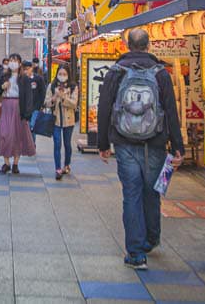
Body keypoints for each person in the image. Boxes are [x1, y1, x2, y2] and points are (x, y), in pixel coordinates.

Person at [97, 28, 185, 270]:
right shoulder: (160, 73)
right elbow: (171, 110)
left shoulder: (116, 72)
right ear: (149, 45)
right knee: (151, 190)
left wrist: (103, 143)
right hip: (155, 143)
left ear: (127, 45)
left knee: (131, 194)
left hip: (124, 142)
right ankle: (150, 239)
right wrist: (178, 145)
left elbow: (104, 107)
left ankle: (135, 254)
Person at [0, 54, 36, 174]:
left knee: (17, 135)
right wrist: (2, 87)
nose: (13, 63)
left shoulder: (24, 78)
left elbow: (28, 96)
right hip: (5, 106)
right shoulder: (3, 76)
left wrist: (27, 113)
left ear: (20, 63)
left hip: (18, 107)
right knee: (5, 134)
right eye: (11, 60)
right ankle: (6, 163)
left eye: (15, 61)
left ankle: (15, 163)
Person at [44, 66, 78, 181]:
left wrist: (63, 98)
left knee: (67, 144)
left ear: (68, 75)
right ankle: (58, 168)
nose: (62, 76)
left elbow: (74, 104)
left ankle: (66, 164)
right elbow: (46, 103)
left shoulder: (73, 87)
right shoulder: (52, 86)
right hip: (56, 119)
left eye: (64, 74)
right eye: (60, 73)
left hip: (69, 119)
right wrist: (54, 97)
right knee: (57, 143)